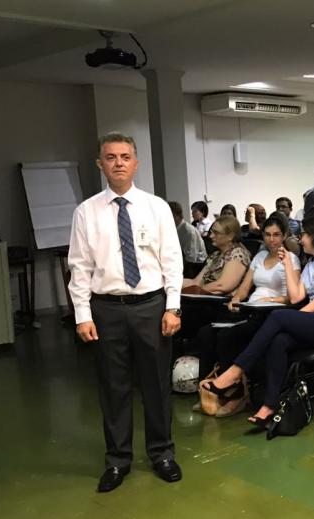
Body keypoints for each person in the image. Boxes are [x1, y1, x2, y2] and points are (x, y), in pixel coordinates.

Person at [68, 132, 183, 492]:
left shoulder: (157, 207)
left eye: (125, 156)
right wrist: (82, 314)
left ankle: (162, 453)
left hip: (151, 306)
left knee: (156, 385)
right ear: (100, 164)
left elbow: (172, 261)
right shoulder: (86, 211)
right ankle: (118, 460)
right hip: (107, 311)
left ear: (136, 163)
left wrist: (173, 305)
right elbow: (79, 267)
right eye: (111, 157)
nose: (118, 162)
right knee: (114, 388)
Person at [203, 216, 314, 425]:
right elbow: (295, 297)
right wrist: (286, 264)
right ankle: (269, 406)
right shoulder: (312, 264)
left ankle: (234, 372)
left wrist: (295, 318)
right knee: (279, 341)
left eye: (304, 235)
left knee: (279, 316)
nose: (301, 240)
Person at [192, 216, 302, 379]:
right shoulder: (260, 257)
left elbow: (293, 297)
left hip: (272, 313)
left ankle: (229, 388)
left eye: (276, 235)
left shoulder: (291, 259)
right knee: (205, 332)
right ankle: (206, 386)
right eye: (267, 234)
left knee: (227, 336)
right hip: (251, 309)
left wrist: (271, 300)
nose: (271, 239)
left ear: (284, 236)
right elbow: (244, 288)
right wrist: (236, 298)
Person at [182, 215, 251, 295]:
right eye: (211, 232)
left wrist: (194, 291)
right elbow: (196, 282)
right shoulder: (215, 255)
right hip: (205, 299)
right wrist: (173, 283)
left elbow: (222, 286)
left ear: (230, 236)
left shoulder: (238, 254)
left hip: (221, 303)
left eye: (216, 233)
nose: (211, 236)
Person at [168, 201, 207, 273]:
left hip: (196, 267)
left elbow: (191, 258)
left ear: (175, 215)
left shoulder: (188, 231)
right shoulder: (175, 228)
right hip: (185, 264)